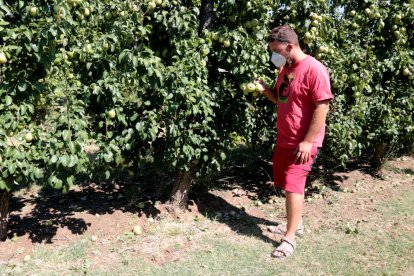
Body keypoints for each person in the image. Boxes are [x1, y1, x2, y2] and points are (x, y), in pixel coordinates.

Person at [258, 25, 333, 259]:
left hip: (303, 143)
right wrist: (263, 89)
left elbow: (323, 105)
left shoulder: (314, 69)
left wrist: (308, 141)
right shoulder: (286, 68)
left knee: (293, 184)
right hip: (284, 139)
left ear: (290, 46)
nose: (274, 56)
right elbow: (280, 99)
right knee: (282, 181)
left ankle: (289, 239)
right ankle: (296, 224)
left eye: (277, 51)